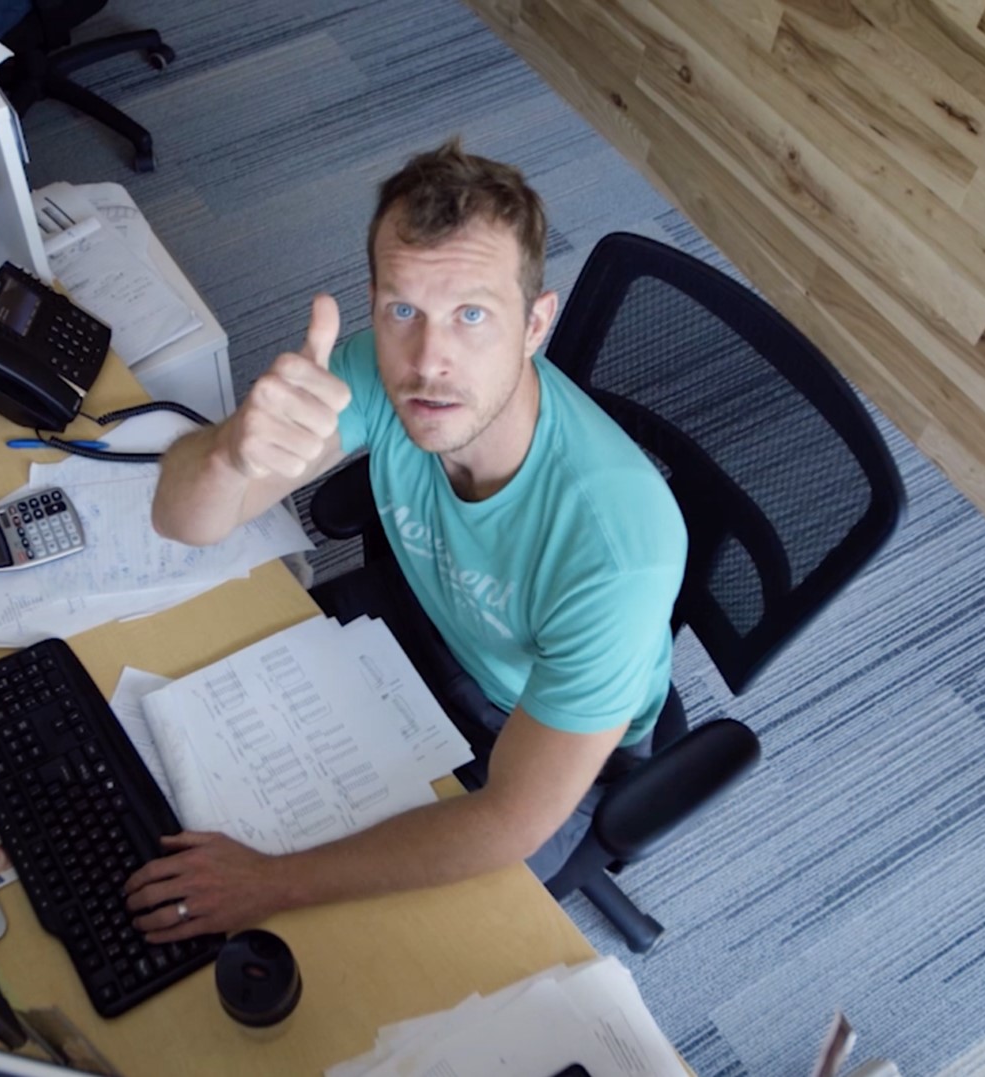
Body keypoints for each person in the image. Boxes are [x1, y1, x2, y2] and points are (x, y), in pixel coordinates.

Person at [127, 139, 687, 943]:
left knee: (378, 951)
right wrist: (229, 451)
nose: (428, 362)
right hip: (425, 631)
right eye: (403, 310)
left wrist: (271, 882)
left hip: (540, 738)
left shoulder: (617, 554)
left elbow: (509, 819)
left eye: (472, 315)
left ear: (535, 323)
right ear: (374, 302)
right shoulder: (374, 368)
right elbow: (184, 521)